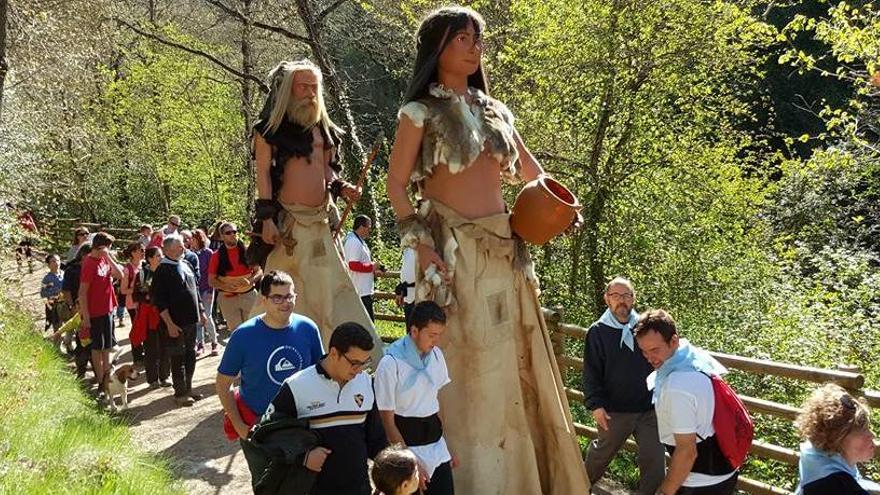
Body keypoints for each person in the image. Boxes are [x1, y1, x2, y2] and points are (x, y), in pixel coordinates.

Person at [385, 6, 588, 492]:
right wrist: (419, 242)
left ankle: (523, 477)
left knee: (512, 363)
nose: (476, 47)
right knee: (467, 367)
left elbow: (529, 170)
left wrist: (560, 204)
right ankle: (471, 480)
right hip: (450, 251)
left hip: (505, 249)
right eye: (463, 38)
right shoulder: (419, 112)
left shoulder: (494, 110)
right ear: (438, 48)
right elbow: (395, 184)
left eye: (478, 38)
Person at [250, 58, 384, 364]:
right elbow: (264, 177)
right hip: (289, 227)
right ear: (288, 90)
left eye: (314, 87)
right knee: (283, 292)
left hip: (322, 224)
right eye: (303, 87)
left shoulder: (323, 129)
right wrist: (267, 219)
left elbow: (328, 173)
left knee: (330, 294)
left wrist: (343, 187)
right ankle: (269, 358)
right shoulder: (268, 131)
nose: (311, 94)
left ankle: (338, 357)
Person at [216, 270, 324, 485]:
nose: (284, 303)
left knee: (305, 483)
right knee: (267, 485)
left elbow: (319, 374)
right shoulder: (244, 336)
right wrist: (238, 424)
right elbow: (223, 384)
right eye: (277, 297)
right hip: (258, 426)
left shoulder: (307, 328)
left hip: (300, 424)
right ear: (263, 299)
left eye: (289, 296)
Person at [256, 322, 387, 494]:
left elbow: (376, 438)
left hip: (358, 488)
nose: (359, 370)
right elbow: (266, 434)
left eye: (364, 363)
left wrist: (387, 474)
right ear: (334, 353)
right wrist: (303, 457)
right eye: (354, 363)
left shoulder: (366, 383)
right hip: (313, 489)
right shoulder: (297, 386)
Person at [634, 309, 737, 494]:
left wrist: (665, 491)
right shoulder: (695, 360)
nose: (649, 358)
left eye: (655, 350)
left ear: (674, 341)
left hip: (699, 482)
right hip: (724, 474)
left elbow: (687, 452)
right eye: (644, 351)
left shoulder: (677, 386)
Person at [583, 277, 664, 494]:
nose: (622, 301)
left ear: (633, 299)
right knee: (600, 457)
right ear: (607, 299)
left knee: (655, 462)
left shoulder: (645, 329)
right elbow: (591, 372)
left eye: (627, 296)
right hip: (614, 411)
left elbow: (663, 357)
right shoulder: (598, 331)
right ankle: (577, 487)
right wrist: (596, 405)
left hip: (648, 410)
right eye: (616, 296)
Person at [375, 301, 455, 495]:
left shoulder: (436, 356)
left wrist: (446, 447)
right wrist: (409, 462)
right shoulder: (390, 363)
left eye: (439, 335)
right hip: (407, 448)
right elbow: (388, 422)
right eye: (431, 335)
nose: (436, 340)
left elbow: (435, 404)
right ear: (414, 331)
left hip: (437, 447)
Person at [151, 235, 208, 406]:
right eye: (178, 247)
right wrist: (169, 323)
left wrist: (202, 311)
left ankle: (188, 388)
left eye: (183, 246)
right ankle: (180, 393)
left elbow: (195, 290)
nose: (182, 249)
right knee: (177, 357)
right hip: (174, 322)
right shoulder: (162, 270)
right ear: (167, 250)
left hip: (192, 320)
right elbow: (159, 301)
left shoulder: (186, 264)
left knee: (190, 355)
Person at [795, 383, 879, 494]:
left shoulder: (814, 457)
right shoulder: (842, 488)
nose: (872, 435)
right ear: (838, 437)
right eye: (863, 429)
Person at [78, 232, 124, 397]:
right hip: (95, 312)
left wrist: (109, 258)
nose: (110, 249)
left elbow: (120, 274)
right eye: (109, 246)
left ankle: (106, 379)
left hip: (108, 309)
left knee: (107, 348)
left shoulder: (104, 259)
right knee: (97, 349)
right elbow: (82, 292)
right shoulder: (89, 264)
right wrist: (86, 317)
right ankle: (100, 382)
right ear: (101, 246)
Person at [208, 222, 262, 332]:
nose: (233, 234)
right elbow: (211, 280)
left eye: (235, 232)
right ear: (222, 236)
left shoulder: (247, 251)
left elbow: (259, 271)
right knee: (236, 331)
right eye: (228, 233)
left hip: (249, 295)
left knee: (255, 328)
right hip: (228, 298)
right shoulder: (216, 256)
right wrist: (226, 285)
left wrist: (251, 280)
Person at [135, 246, 171, 388]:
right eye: (157, 256)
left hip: (165, 314)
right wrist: (147, 297)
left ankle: (164, 377)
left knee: (165, 345)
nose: (161, 258)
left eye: (161, 255)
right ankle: (152, 379)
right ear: (149, 258)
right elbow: (136, 295)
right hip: (149, 315)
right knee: (151, 347)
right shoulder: (142, 273)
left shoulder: (167, 271)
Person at [344, 215, 384, 321]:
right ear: (361, 227)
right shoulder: (354, 242)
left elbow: (361, 263)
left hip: (363, 291)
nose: (370, 230)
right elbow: (353, 265)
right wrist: (372, 266)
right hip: (359, 292)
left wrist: (374, 271)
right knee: (367, 326)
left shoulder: (359, 241)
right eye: (368, 227)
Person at [192, 229, 218, 355]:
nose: (191, 241)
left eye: (193, 238)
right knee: (197, 318)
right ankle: (200, 344)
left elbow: (212, 271)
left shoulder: (208, 253)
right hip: (195, 291)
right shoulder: (190, 254)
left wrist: (210, 288)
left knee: (207, 316)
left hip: (207, 289)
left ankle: (214, 342)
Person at [120, 242, 146, 364]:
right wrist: (137, 290)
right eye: (140, 250)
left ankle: (145, 353)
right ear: (132, 253)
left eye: (143, 250)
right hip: (132, 304)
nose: (142, 252)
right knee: (137, 329)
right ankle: (137, 356)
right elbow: (123, 290)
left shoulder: (144, 265)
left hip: (143, 303)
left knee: (145, 328)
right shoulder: (128, 269)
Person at [41, 254, 68, 333]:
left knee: (70, 326)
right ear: (49, 265)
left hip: (66, 304)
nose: (57, 263)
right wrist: (54, 293)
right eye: (53, 261)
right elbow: (43, 293)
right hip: (55, 306)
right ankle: (56, 344)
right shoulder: (47, 278)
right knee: (58, 329)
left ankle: (68, 343)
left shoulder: (64, 274)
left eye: (58, 260)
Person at [395, 247, 416, 327]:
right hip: (408, 296)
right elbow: (406, 273)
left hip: (420, 295)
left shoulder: (423, 247)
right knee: (410, 329)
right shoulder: (407, 249)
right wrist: (400, 291)